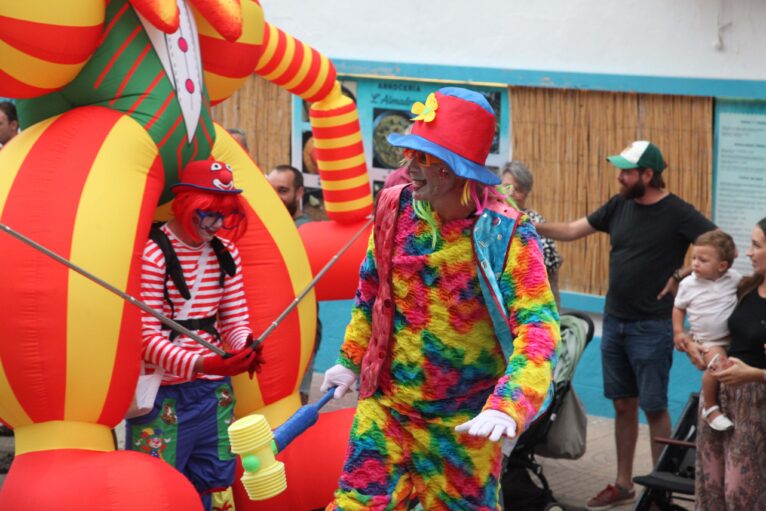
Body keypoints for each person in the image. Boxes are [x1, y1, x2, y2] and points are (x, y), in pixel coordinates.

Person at [320, 87, 559, 510]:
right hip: (386, 410)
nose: (408, 167)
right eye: (407, 154)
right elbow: (373, 290)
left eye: (423, 157)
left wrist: (509, 405)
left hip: (462, 426)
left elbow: (538, 329)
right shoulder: (394, 206)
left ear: (455, 168)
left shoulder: (505, 234)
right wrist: (351, 358)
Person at [535, 140, 715, 510]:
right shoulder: (619, 205)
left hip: (652, 326)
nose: (619, 177)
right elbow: (571, 230)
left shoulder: (678, 212)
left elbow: (717, 242)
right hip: (615, 323)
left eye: (627, 171)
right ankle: (622, 483)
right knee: (622, 405)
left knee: (653, 406)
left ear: (648, 175)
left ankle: (659, 492)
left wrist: (682, 273)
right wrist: (527, 224)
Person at [126, 159, 263, 511]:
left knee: (214, 482)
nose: (217, 224)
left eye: (225, 215)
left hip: (214, 394)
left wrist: (245, 346)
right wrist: (204, 361)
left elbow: (235, 320)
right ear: (185, 203)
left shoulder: (226, 252)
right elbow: (145, 340)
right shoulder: (153, 254)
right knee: (157, 489)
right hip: (163, 396)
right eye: (209, 214)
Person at [685, 217, 766, 509]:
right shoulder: (744, 288)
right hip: (720, 401)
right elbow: (713, 322)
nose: (748, 253)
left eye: (756, 245)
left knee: (741, 493)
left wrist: (756, 374)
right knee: (711, 486)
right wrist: (695, 345)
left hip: (757, 408)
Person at [672, 230, 740, 431]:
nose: (694, 264)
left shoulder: (734, 279)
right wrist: (678, 332)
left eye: (703, 260)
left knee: (724, 369)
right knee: (715, 365)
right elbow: (678, 308)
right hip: (708, 341)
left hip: (731, 339)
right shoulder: (688, 284)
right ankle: (710, 408)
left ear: (722, 266)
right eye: (693, 258)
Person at [267, 163, 322, 404]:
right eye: (270, 191)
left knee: (296, 402)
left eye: (282, 190)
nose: (275, 198)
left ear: (299, 193)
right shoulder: (264, 229)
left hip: (301, 328)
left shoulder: (310, 232)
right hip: (268, 329)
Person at [502, 160, 564, 308]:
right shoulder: (490, 220)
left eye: (517, 189)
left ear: (526, 193)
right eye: (506, 187)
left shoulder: (533, 221)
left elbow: (548, 269)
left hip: (529, 306)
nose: (510, 193)